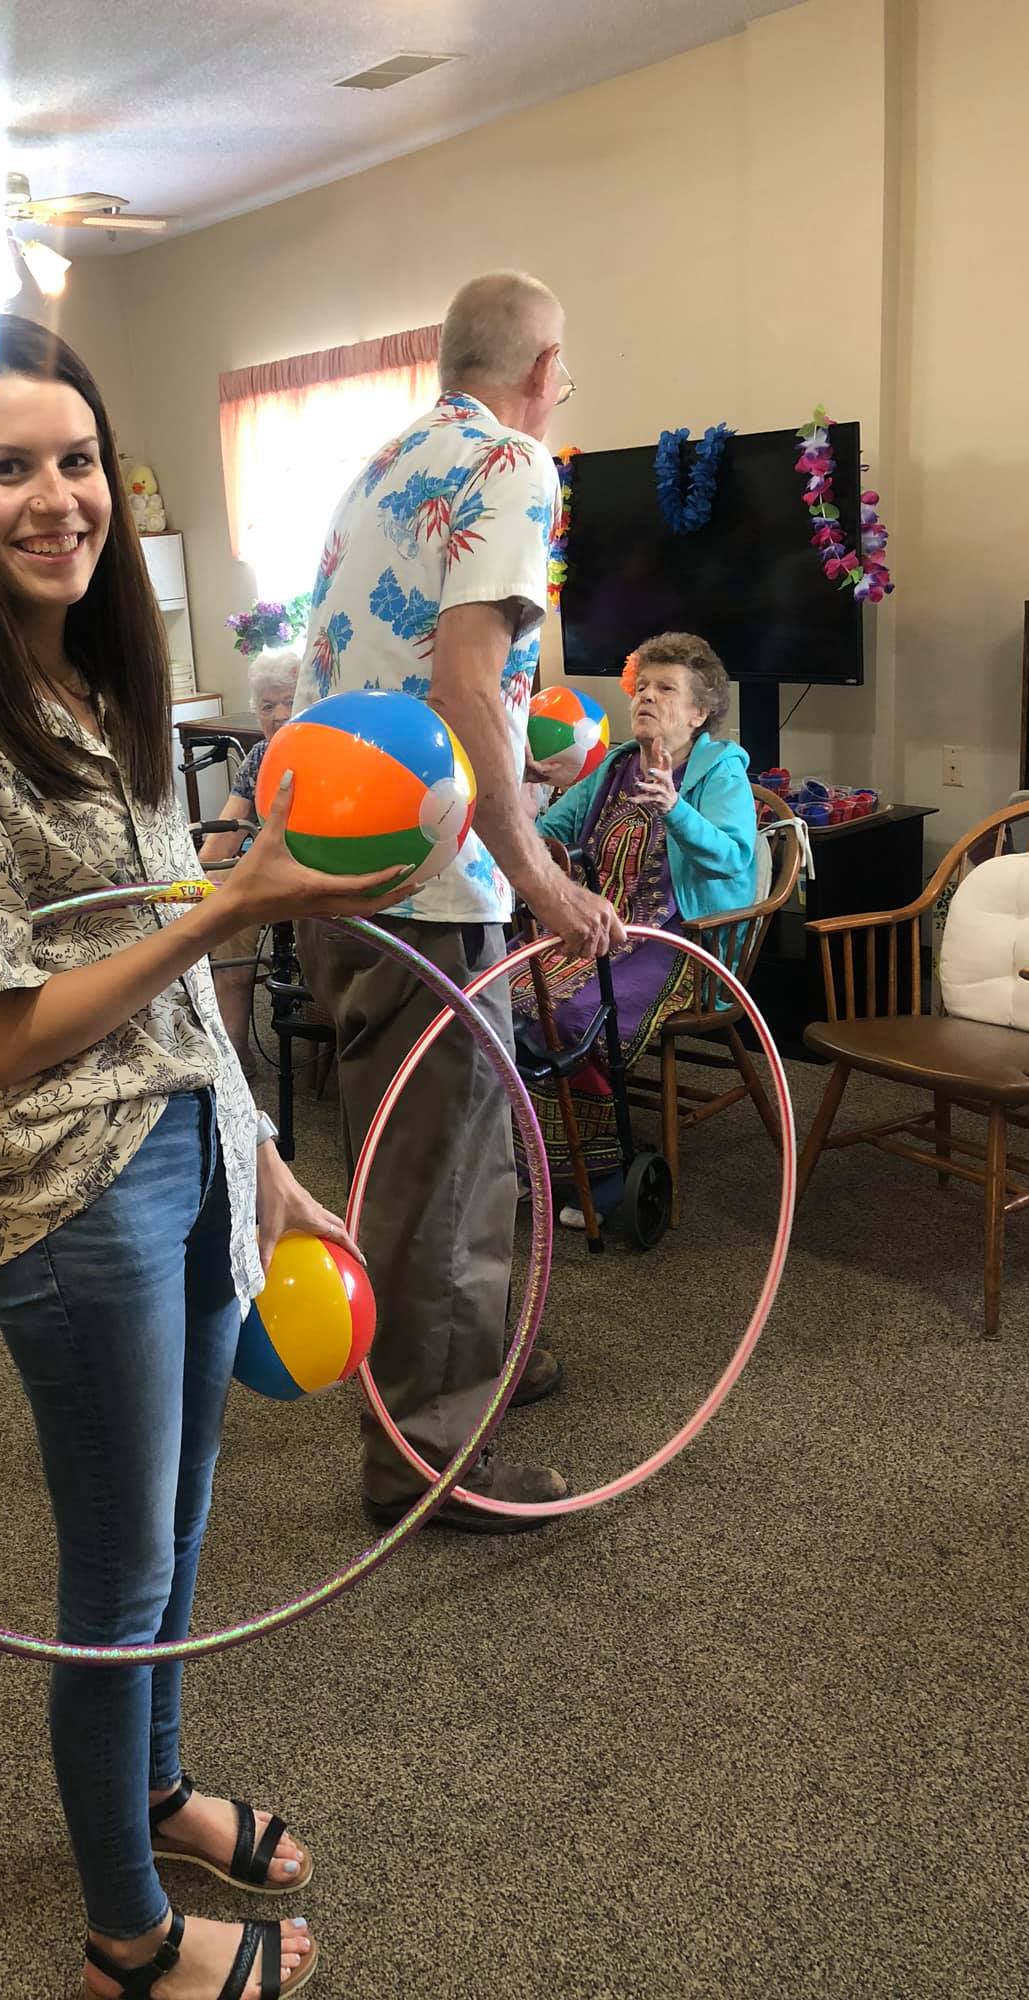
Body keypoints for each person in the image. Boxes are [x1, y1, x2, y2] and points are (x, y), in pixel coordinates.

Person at [0, 315, 417, 2000]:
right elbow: (5, 1037)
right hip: (65, 1187)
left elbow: (169, 963)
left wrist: (258, 1149)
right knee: (112, 1568)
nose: (56, 496)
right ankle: (122, 1927)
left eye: (77, 457)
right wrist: (239, 906)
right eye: (8, 465)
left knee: (179, 1531)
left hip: (179, 1141)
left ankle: (156, 1788)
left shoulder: (97, 685)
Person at [292, 272, 625, 1534]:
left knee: (458, 1153)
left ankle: (473, 1354)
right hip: (433, 886)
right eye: (567, 376)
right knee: (438, 1170)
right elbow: (466, 677)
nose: (561, 395)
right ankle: (427, 1458)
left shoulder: (381, 461)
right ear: (541, 370)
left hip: (338, 864)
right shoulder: (516, 465)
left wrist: (519, 752)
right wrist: (541, 875)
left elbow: (402, 671)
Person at [513, 633, 757, 1222]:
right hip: (595, 927)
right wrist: (526, 801)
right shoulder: (618, 765)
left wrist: (675, 808)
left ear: (699, 713)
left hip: (677, 940)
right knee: (508, 997)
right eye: (642, 686)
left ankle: (600, 1178)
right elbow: (555, 832)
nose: (647, 696)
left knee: (573, 1016)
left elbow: (732, 858)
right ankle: (537, 1164)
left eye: (666, 688)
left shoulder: (720, 774)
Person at [198, 646, 299, 1071]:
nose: (278, 715)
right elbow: (227, 829)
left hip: (310, 874)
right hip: (260, 872)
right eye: (267, 705)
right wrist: (197, 885)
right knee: (221, 912)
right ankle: (233, 1055)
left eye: (290, 702)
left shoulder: (331, 753)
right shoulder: (259, 757)